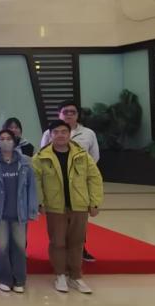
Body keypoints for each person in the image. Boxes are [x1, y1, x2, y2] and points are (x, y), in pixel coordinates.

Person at [33, 120, 104, 294]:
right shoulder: (41, 157)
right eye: (56, 132)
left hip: (79, 205)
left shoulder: (82, 155)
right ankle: (60, 275)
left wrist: (94, 202)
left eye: (64, 132)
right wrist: (40, 203)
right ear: (50, 135)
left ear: (69, 134)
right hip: (55, 207)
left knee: (77, 242)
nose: (60, 135)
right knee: (57, 242)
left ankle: (76, 276)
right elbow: (36, 182)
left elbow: (94, 178)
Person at [39, 100, 100, 262]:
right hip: (56, 184)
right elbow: (42, 156)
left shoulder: (88, 133)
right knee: (58, 223)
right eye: (65, 112)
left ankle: (81, 250)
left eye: (73, 112)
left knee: (78, 221)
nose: (69, 115)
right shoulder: (49, 133)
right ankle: (60, 256)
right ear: (59, 114)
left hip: (78, 183)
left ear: (78, 115)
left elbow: (94, 157)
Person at [0, 129, 39, 293]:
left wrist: (32, 209)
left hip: (19, 211)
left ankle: (19, 279)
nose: (5, 141)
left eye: (8, 138)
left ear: (14, 142)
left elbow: (31, 187)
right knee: (1, 247)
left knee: (19, 247)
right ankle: (4, 279)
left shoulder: (25, 162)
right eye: (2, 138)